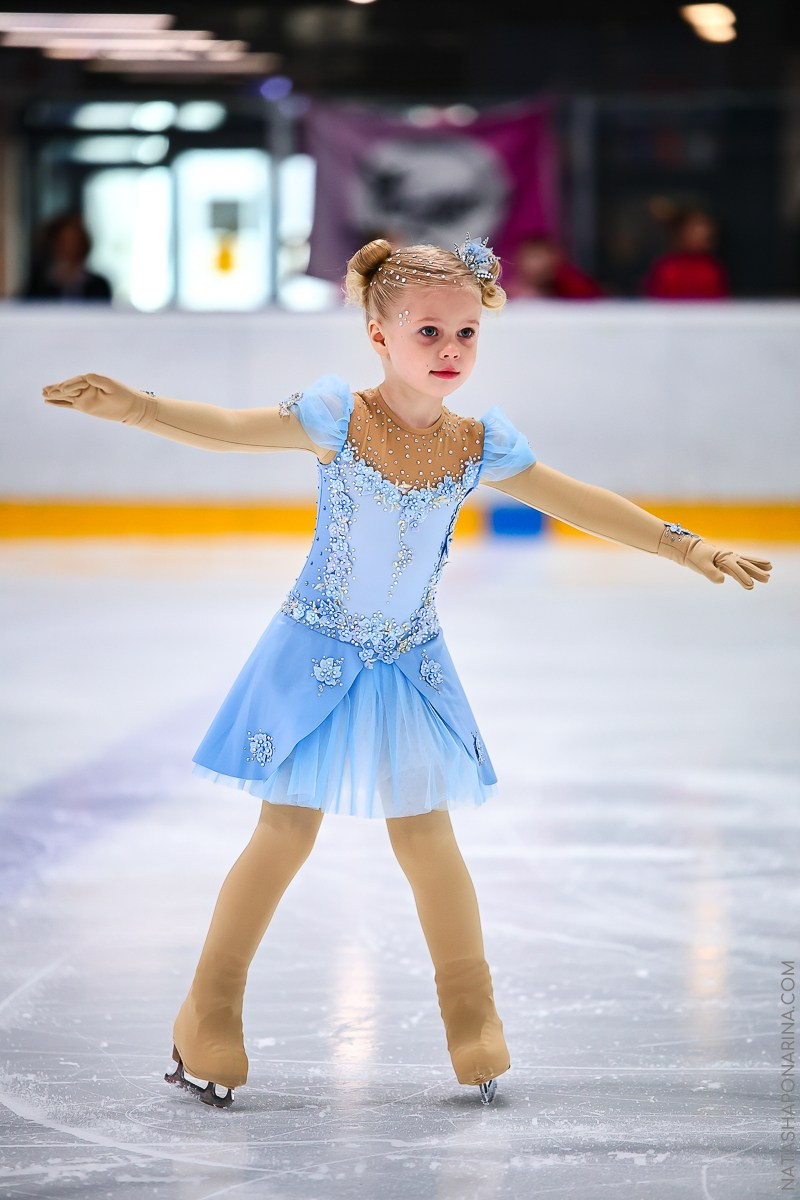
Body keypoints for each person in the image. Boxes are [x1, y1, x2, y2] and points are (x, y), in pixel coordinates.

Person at [41, 234, 772, 1111]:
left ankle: (470, 1012)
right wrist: (138, 407)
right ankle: (210, 1008)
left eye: (466, 333)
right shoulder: (334, 419)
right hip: (314, 650)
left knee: (427, 839)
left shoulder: (475, 443)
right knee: (285, 834)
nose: (451, 351)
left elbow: (575, 499)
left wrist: (684, 547)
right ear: (379, 335)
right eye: (429, 333)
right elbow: (232, 432)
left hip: (410, 661)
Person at [22, 211, 112, 302]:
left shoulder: (99, 286)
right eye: (63, 242)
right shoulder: (38, 285)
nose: (69, 249)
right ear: (53, 245)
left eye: (74, 242)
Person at [643, 208, 730, 300]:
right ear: (680, 232)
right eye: (694, 230)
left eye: (706, 230)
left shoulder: (713, 269)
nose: (703, 235)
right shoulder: (666, 269)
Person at [506, 233, 605, 300]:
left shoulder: (575, 285)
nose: (539, 264)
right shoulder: (507, 292)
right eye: (533, 256)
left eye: (542, 256)